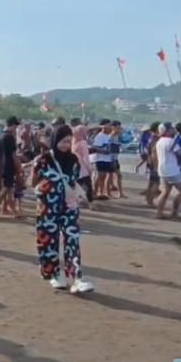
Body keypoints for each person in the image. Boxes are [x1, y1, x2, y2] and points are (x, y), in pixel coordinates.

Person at [32, 126, 94, 294]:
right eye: (63, 141)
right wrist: (46, 189)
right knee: (48, 241)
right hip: (47, 206)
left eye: (69, 141)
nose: (66, 145)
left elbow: (73, 181)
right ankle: (55, 274)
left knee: (72, 239)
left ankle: (77, 278)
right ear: (55, 140)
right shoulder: (42, 159)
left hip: (69, 206)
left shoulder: (73, 160)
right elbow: (33, 181)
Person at [154, 122, 181, 219]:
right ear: (167, 131)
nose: (173, 130)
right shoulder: (171, 141)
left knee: (165, 191)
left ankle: (159, 212)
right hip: (172, 170)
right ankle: (174, 213)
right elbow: (180, 153)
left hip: (162, 169)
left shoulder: (159, 141)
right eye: (171, 128)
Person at [0, 117, 19, 216]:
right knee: (6, 189)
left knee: (8, 189)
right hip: (8, 165)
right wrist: (19, 168)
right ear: (13, 125)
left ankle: (7, 209)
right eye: (15, 126)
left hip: (0, 165)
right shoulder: (10, 137)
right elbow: (14, 155)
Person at [90, 119, 114, 200]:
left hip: (107, 159)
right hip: (100, 159)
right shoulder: (99, 136)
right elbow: (95, 147)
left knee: (104, 176)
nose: (110, 127)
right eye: (109, 125)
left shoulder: (108, 136)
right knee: (100, 176)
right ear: (103, 126)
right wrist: (103, 150)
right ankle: (96, 192)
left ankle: (101, 192)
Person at [71, 124, 94, 204]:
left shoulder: (73, 141)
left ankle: (77, 200)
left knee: (77, 184)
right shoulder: (83, 142)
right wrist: (89, 168)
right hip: (82, 166)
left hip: (74, 165)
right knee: (88, 185)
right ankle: (90, 203)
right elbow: (86, 157)